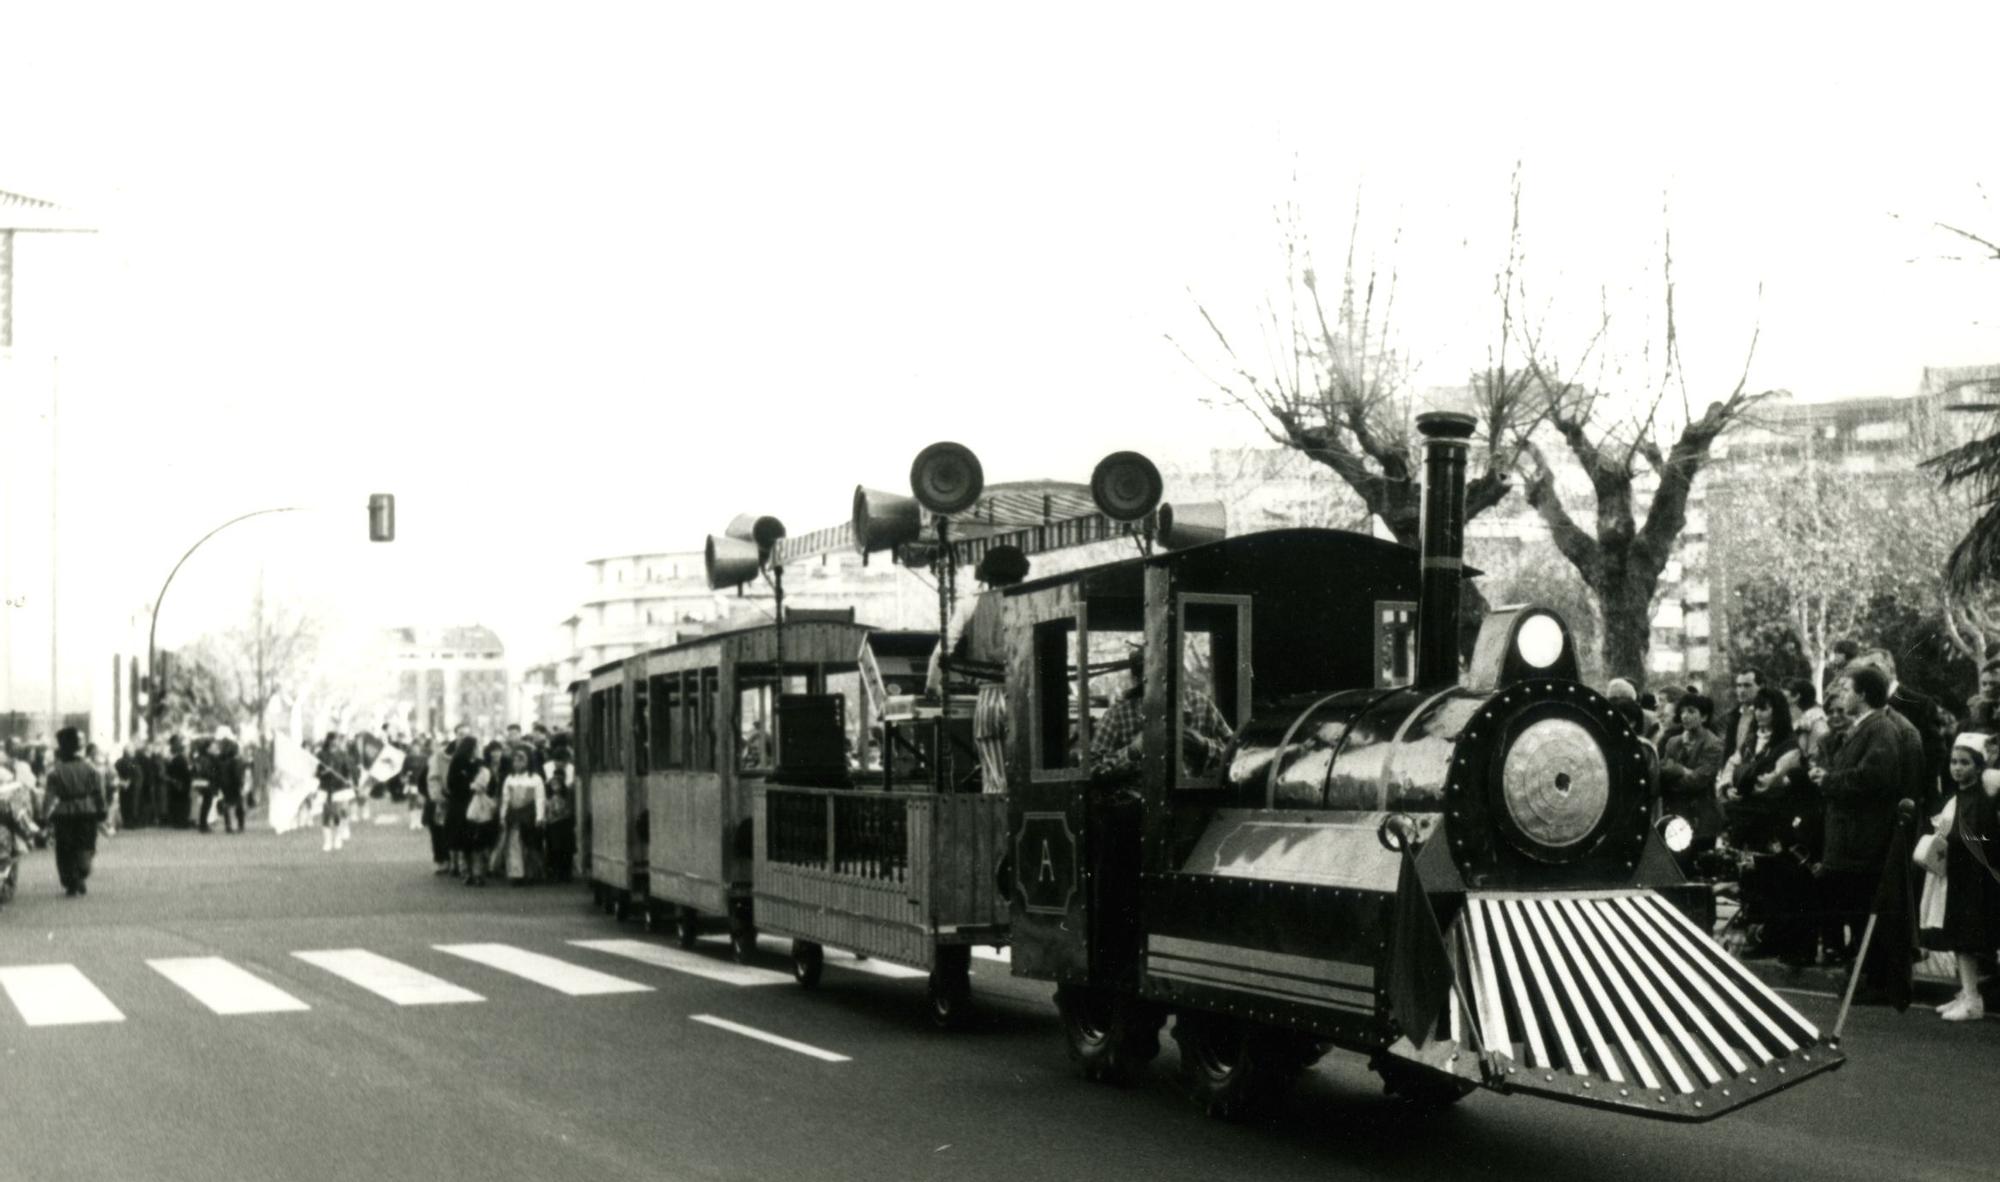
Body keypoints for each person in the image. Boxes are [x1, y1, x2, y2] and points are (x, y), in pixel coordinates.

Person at [1809, 667, 1907, 1003]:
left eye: (1849, 689)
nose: (1843, 695)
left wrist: (1830, 780)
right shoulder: (1865, 728)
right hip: (1850, 840)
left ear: (1863, 694)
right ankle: (1866, 977)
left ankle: (1874, 981)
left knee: (1864, 913)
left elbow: (1875, 778)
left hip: (1862, 841)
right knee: (1855, 911)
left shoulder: (1880, 729)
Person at [1920, 733, 2000, 1021]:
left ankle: (1973, 999)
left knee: (1972, 939)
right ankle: (1968, 994)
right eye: (1953, 762)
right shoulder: (1957, 797)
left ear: (1978, 768)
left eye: (1964, 763)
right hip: (1959, 877)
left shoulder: (1985, 794)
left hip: (1978, 878)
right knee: (1961, 939)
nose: (1956, 768)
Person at [1090, 646, 1233, 777]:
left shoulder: (1201, 705)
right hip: (1136, 803)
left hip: (1196, 800)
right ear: (1138, 679)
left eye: (1167, 673)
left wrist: (1204, 746)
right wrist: (1132, 751)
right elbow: (1091, 769)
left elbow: (1239, 756)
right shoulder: (1118, 715)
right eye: (1152, 675)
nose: (1162, 682)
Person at [1720, 687, 1798, 852]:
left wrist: (1742, 779)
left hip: (1770, 820)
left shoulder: (1788, 745)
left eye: (1763, 709)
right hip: (1741, 817)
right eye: (1756, 708)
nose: (1757, 713)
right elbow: (1731, 765)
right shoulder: (1750, 740)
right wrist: (1727, 788)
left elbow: (1768, 782)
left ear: (1777, 711)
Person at [39, 727, 106, 898]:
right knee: (85, 844)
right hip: (87, 810)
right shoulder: (90, 769)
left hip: (63, 813)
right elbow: (98, 792)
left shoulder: (55, 772)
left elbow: (49, 797)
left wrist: (43, 816)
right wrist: (102, 810)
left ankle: (71, 880)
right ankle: (82, 872)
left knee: (65, 849)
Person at [1658, 693, 1725, 852]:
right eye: (1682, 712)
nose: (1685, 716)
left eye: (1691, 711)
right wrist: (1681, 770)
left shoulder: (1713, 744)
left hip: (1701, 817)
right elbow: (1662, 769)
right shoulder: (1673, 742)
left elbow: (1697, 781)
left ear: (1704, 717)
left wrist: (1672, 777)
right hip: (1676, 815)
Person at [495, 746, 546, 885]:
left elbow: (540, 798)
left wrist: (540, 817)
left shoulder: (535, 779)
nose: (517, 764)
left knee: (531, 845)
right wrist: (502, 815)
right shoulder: (509, 779)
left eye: (521, 760)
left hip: (530, 814)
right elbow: (505, 799)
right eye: (515, 761)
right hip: (514, 814)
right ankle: (516, 874)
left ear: (528, 761)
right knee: (514, 844)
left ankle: (532, 873)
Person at [0, 764, 45, 906]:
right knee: (6, 863)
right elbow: (19, 817)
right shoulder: (7, 799)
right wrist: (34, 833)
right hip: (3, 836)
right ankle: (4, 890)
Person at [542, 736, 577, 884]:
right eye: (559, 761)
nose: (561, 764)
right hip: (554, 815)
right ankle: (557, 871)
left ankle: (564, 872)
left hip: (565, 816)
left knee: (565, 846)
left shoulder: (571, 770)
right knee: (554, 845)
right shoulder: (547, 769)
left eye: (563, 762)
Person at [316, 732, 355, 852]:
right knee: (327, 815)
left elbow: (347, 771)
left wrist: (349, 779)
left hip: (339, 788)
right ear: (328, 741)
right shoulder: (321, 755)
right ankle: (327, 841)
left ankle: (337, 838)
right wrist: (324, 772)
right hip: (325, 788)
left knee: (337, 813)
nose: (336, 743)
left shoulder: (342, 755)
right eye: (334, 740)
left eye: (337, 740)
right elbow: (317, 772)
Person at [1718, 669, 1762, 763]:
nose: (1741, 690)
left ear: (1761, 687)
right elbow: (1727, 750)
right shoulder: (1733, 716)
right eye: (1739, 686)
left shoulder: (1767, 716)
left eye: (1747, 686)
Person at [214, 728, 246, 834]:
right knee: (238, 804)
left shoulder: (220, 760)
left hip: (224, 784)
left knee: (227, 804)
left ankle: (228, 825)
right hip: (233, 784)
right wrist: (240, 783)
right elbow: (237, 774)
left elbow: (217, 772)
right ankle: (240, 824)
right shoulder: (234, 761)